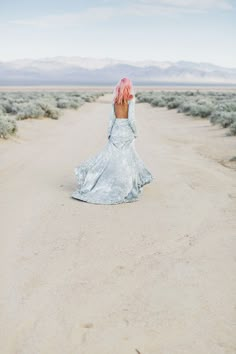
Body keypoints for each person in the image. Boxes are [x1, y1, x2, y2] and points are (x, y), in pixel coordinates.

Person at [71, 77, 154, 204]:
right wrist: (135, 132)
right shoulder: (131, 100)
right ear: (129, 87)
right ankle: (127, 185)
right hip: (127, 132)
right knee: (127, 159)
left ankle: (99, 181)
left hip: (116, 131)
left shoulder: (115, 101)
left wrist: (109, 133)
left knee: (110, 159)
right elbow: (131, 119)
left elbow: (112, 119)